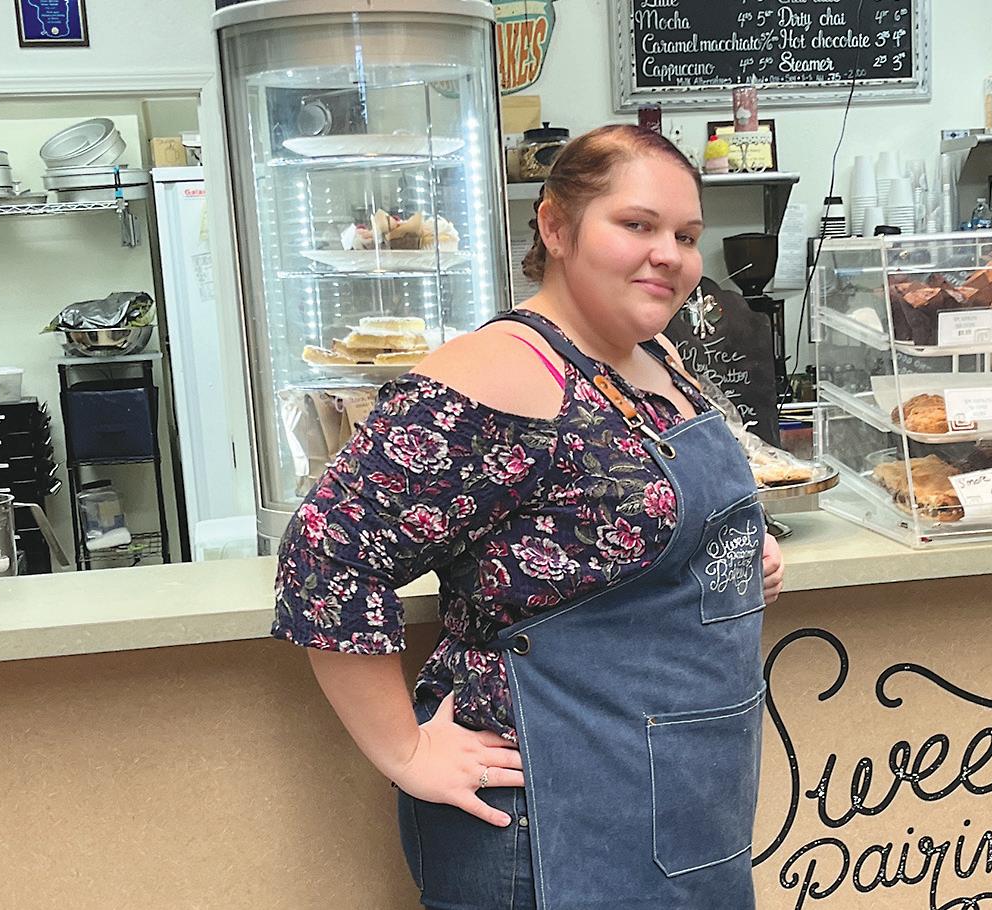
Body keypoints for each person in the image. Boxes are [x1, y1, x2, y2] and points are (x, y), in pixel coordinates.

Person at [272, 124, 783, 909]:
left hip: (684, 803)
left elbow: (627, 536)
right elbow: (325, 552)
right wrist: (406, 752)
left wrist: (736, 562)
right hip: (543, 819)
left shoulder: (658, 360)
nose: (670, 255)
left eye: (686, 236)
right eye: (637, 225)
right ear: (555, 227)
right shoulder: (498, 373)